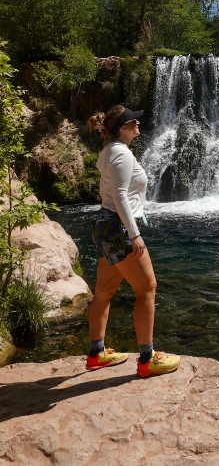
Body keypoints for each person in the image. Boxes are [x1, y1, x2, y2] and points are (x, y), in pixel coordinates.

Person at [84, 104, 178, 378]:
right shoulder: (120, 154)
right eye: (132, 121)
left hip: (106, 226)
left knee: (103, 292)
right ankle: (147, 359)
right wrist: (134, 234)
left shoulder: (111, 151)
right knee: (147, 287)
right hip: (119, 228)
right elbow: (121, 197)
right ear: (122, 128)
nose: (138, 123)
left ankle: (96, 354)